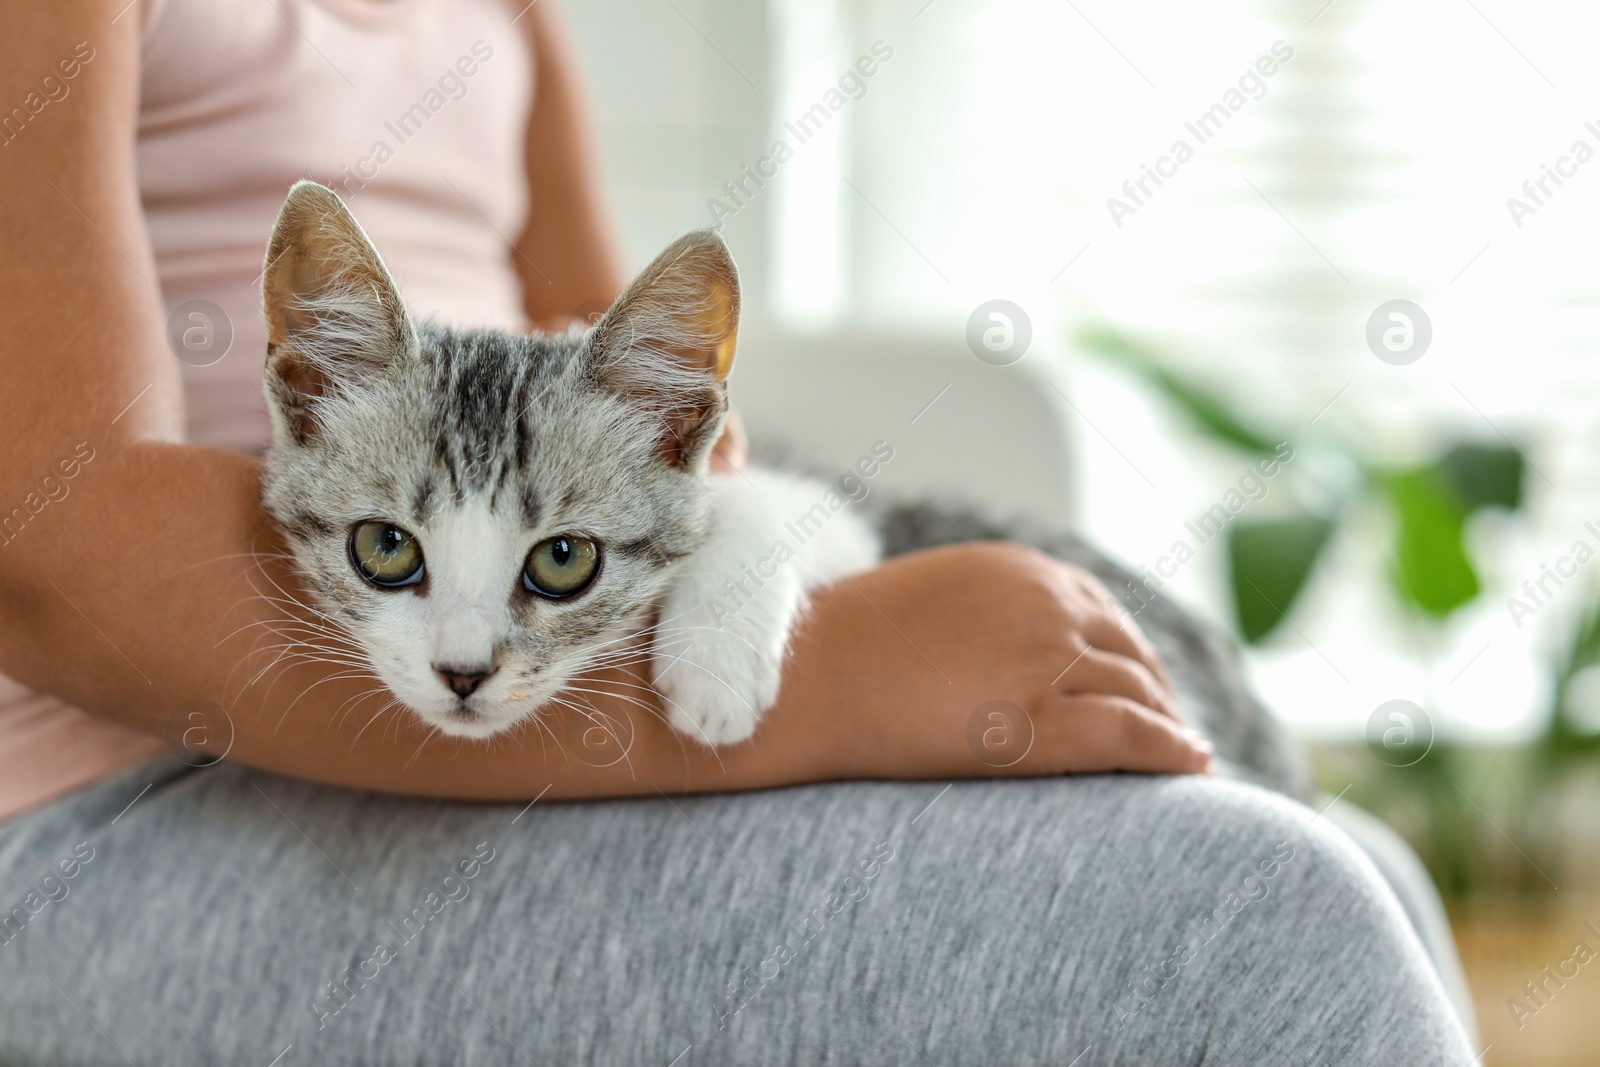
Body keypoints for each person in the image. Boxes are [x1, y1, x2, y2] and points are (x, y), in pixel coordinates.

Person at [0, 0, 1475, 1062]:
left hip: (537, 640)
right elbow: (46, 555)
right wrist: (843, 683)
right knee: (1271, 919)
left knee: (1360, 865)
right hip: (120, 807)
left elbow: (650, 393)